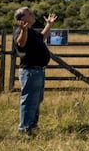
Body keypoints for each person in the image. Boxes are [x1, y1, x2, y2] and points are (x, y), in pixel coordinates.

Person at [13, 7, 57, 135]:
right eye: (29, 13)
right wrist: (24, 30)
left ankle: (32, 125)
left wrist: (49, 25)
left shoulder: (31, 31)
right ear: (22, 19)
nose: (32, 14)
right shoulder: (20, 31)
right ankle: (25, 128)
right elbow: (21, 43)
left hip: (38, 71)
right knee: (29, 100)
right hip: (30, 71)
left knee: (36, 100)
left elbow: (42, 37)